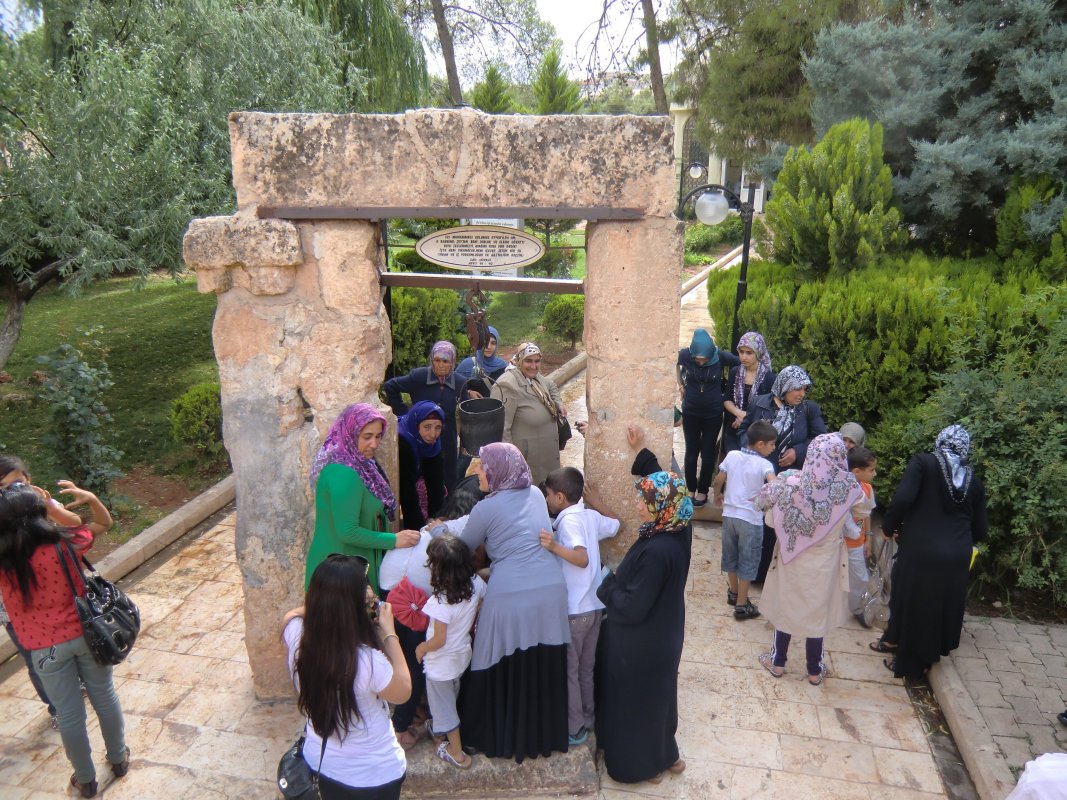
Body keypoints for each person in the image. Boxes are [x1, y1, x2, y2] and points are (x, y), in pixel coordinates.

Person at [0, 482, 128, 798]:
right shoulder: (66, 542)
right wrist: (62, 508)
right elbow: (102, 525)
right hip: (87, 636)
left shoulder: (4, 560)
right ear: (41, 512)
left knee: (69, 713)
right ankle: (119, 759)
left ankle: (85, 780)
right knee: (105, 696)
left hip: (44, 649)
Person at [455, 442, 570, 763]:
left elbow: (461, 549)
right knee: (540, 661)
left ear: (498, 472)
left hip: (510, 596)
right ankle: (542, 736)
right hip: (550, 590)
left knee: (491, 659)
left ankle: (488, 736)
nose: (478, 471)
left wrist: (437, 533)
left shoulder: (484, 508)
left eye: (483, 466)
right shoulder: (534, 494)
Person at [596, 425, 692, 785]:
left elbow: (633, 607)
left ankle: (642, 766)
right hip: (663, 633)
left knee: (636, 703)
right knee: (659, 699)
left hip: (642, 640)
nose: (637, 504)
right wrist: (645, 452)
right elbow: (667, 483)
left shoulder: (656, 551)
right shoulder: (677, 527)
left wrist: (606, 584)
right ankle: (665, 755)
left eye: (643, 501)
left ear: (660, 506)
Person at [282, 554, 412, 800]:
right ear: (354, 607)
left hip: (320, 763)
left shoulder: (296, 635)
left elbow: (291, 615)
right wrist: (390, 634)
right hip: (373, 775)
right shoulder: (367, 661)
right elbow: (404, 690)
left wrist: (329, 598)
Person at [755, 434, 867, 686]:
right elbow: (865, 509)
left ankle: (778, 662)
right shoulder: (848, 490)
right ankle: (814, 671)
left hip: (790, 560)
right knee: (817, 613)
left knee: (786, 607)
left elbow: (771, 521)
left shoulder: (788, 482)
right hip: (824, 566)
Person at [876, 425, 987, 679]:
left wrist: (889, 526)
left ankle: (913, 664)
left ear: (940, 441)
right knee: (938, 606)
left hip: (921, 549)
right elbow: (980, 530)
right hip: (957, 554)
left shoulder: (923, 463)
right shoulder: (974, 481)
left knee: (914, 602)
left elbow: (903, 498)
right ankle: (894, 639)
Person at [0, 456, 89, 730]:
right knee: (36, 660)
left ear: (29, 481)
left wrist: (48, 506)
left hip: (57, 600)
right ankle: (55, 706)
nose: (11, 491)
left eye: (17, 483)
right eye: (3, 487)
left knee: (71, 646)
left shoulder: (40, 508)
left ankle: (79, 683)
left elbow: (77, 526)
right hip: (18, 612)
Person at [539, 467, 620, 745]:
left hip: (574, 611)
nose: (547, 500)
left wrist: (553, 546)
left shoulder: (568, 523)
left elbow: (581, 558)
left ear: (560, 497)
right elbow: (616, 524)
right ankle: (588, 718)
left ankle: (574, 728)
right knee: (586, 668)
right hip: (594, 608)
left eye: (548, 495)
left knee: (571, 671)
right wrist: (596, 502)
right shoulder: (589, 517)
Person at [306, 404, 419, 592]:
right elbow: (347, 531)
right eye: (367, 437)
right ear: (350, 433)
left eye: (378, 436)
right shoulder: (344, 473)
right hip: (338, 577)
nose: (374, 444)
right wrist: (393, 540)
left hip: (347, 567)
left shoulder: (361, 466)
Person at [739, 365, 828, 582]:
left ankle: (771, 576)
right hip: (760, 477)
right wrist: (754, 448)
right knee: (756, 523)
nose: (802, 394)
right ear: (785, 386)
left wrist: (797, 452)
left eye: (805, 389)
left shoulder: (808, 410)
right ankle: (753, 574)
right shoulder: (760, 403)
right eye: (798, 388)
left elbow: (819, 440)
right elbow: (743, 431)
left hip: (789, 482)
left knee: (778, 526)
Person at [415, 535, 486, 769]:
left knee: (445, 707)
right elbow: (481, 603)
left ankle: (457, 753)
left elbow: (439, 639)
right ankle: (438, 729)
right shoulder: (475, 583)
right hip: (462, 655)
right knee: (449, 698)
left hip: (440, 663)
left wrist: (421, 648)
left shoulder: (441, 601)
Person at [711, 421, 777, 620]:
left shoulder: (732, 455)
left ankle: (733, 592)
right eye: (772, 444)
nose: (774, 448)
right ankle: (742, 605)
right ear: (760, 444)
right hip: (751, 520)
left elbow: (718, 480)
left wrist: (717, 495)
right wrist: (766, 502)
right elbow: (774, 485)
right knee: (748, 560)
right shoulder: (765, 464)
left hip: (730, 516)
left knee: (730, 556)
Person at [384, 341, 461, 491]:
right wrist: (405, 415)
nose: (440, 365)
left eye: (445, 361)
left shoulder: (459, 382)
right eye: (437, 360)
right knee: (422, 483)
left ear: (452, 362)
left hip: (447, 442)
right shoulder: (419, 377)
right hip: (421, 442)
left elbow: (467, 410)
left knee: (448, 482)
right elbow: (391, 386)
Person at [676, 329, 740, 507]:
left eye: (705, 360)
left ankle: (703, 491)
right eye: (698, 360)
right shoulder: (686, 355)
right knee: (691, 453)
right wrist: (680, 384)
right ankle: (690, 489)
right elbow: (673, 361)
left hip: (713, 413)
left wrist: (729, 393)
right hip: (691, 411)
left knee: (707, 454)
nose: (702, 362)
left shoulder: (720, 356)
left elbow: (739, 365)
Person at [490, 342, 566, 487]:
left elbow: (551, 386)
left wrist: (558, 402)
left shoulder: (533, 377)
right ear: (519, 360)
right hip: (529, 465)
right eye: (528, 361)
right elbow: (502, 429)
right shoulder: (508, 385)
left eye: (537, 361)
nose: (534, 366)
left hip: (546, 461)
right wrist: (513, 465)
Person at [722, 332, 775, 455]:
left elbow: (769, 409)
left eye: (749, 353)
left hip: (755, 434)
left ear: (758, 353)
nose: (743, 357)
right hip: (733, 427)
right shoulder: (734, 372)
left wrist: (746, 419)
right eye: (741, 352)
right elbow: (727, 399)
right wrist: (738, 413)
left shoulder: (769, 378)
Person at [395, 401, 445, 531]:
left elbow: (435, 480)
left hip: (416, 475)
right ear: (416, 425)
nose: (433, 434)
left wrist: (436, 517)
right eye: (427, 427)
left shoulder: (433, 441)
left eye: (438, 427)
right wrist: (417, 530)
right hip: (401, 480)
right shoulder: (403, 441)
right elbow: (407, 491)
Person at [844, 447, 878, 627]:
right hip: (836, 542)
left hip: (856, 542)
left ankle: (857, 609)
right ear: (856, 471)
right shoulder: (840, 489)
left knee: (860, 577)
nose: (875, 473)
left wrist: (868, 538)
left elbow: (866, 515)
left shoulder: (867, 489)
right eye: (871, 470)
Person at [456, 325, 508, 400]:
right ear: (479, 343)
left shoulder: (502, 365)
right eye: (485, 342)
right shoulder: (467, 364)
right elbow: (455, 387)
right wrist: (469, 392)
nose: (489, 347)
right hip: (474, 409)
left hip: (496, 409)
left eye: (493, 343)